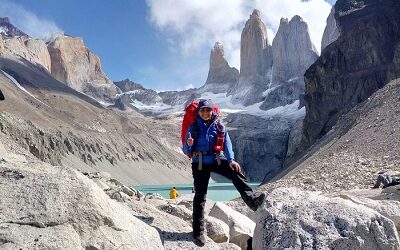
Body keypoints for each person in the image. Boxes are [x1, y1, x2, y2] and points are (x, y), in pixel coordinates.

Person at [182, 99, 266, 246]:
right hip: (200, 162)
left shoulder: (219, 126)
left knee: (235, 172)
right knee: (200, 196)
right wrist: (189, 146)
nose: (206, 113)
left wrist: (231, 160)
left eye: (208, 110)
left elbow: (227, 144)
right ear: (198, 112)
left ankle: (251, 200)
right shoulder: (193, 127)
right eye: (203, 110)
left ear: (212, 111)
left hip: (216, 159)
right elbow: (186, 150)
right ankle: (198, 232)